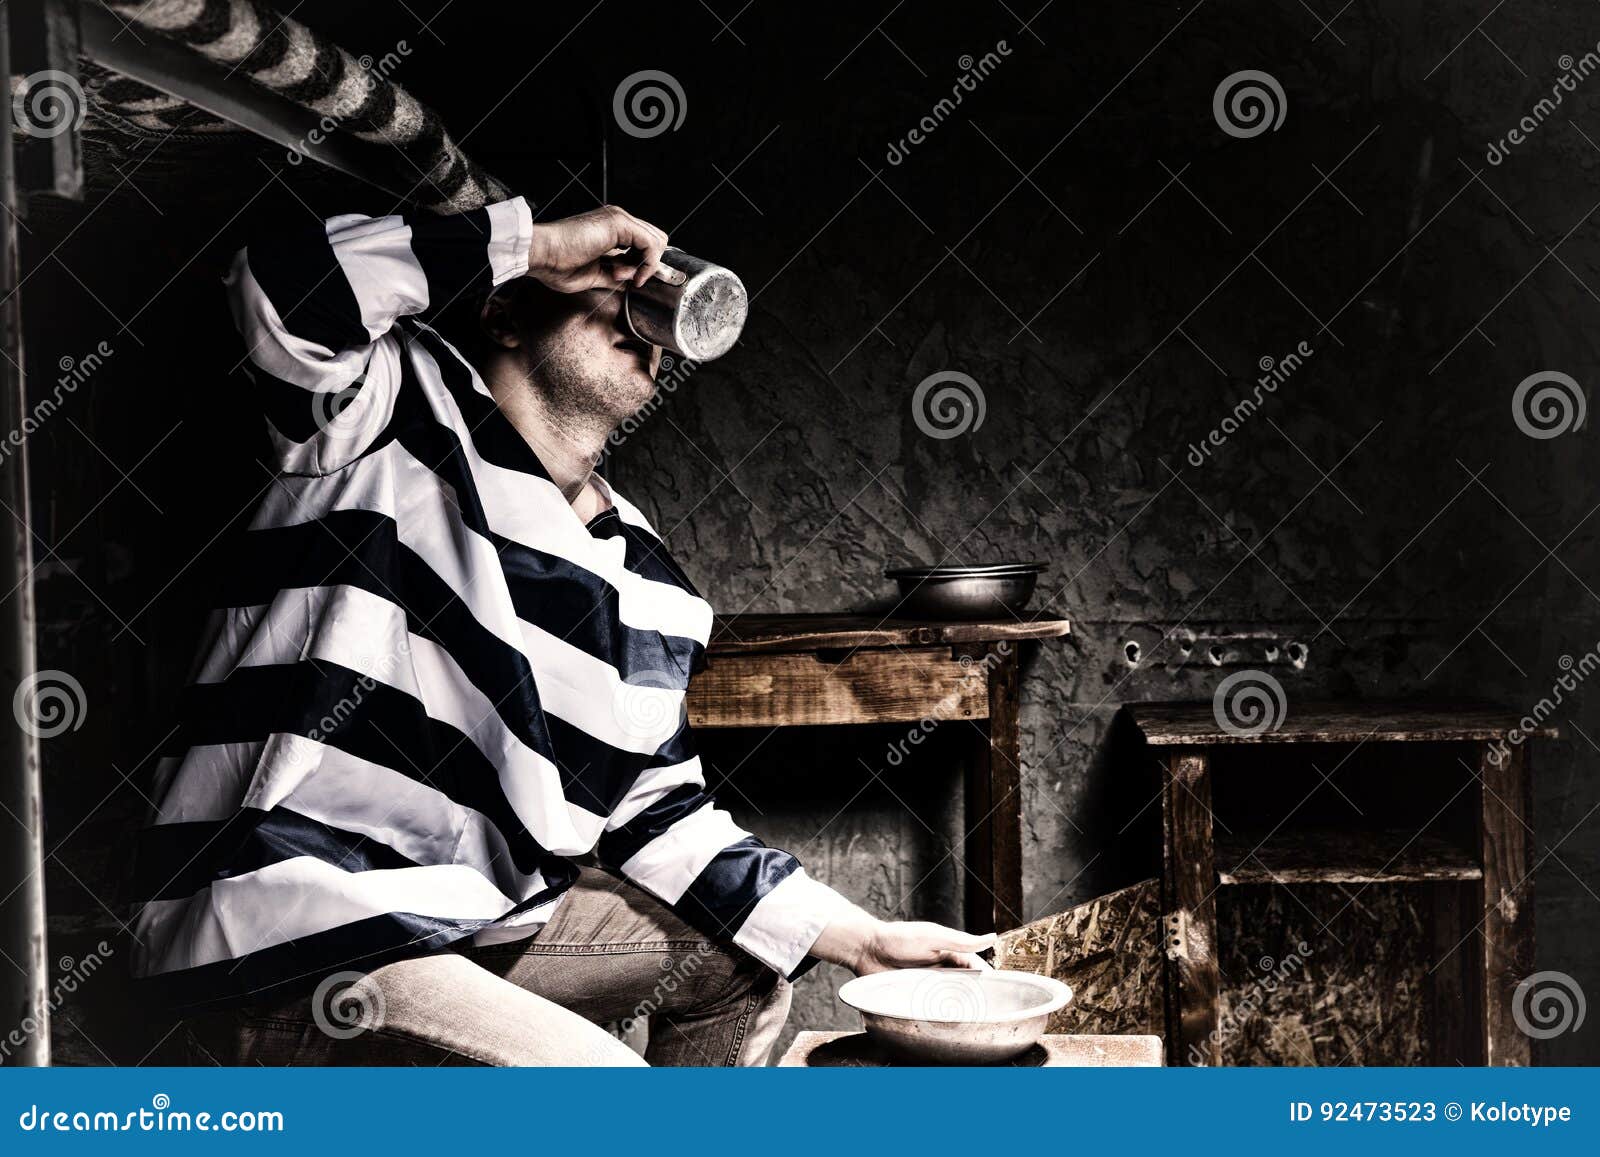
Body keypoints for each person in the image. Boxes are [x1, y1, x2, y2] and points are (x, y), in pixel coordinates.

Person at [131, 197, 994, 1066]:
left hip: (465, 922)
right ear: (507, 309)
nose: (644, 316)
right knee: (607, 1088)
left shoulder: (645, 578)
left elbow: (659, 813)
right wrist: (535, 245)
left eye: (652, 305)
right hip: (293, 924)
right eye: (612, 292)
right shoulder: (383, 408)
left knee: (742, 967)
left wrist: (866, 938)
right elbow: (279, 287)